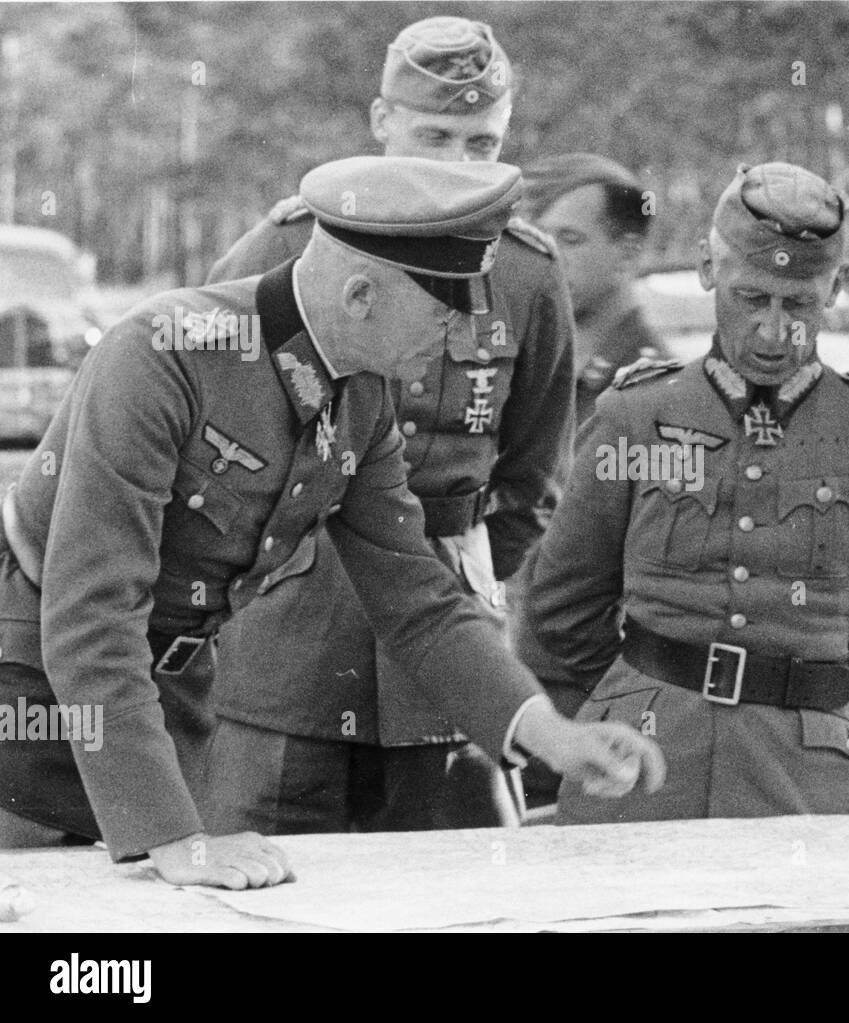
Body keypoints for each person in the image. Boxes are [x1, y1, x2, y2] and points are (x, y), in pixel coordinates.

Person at [0, 156, 664, 887]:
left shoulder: (362, 398)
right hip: (29, 694)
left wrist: (552, 735)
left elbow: (419, 599)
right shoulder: (164, 355)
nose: (460, 333)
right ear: (358, 294)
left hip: (162, 699)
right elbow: (92, 612)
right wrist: (171, 833)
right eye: (445, 311)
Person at [203, 16, 576, 833]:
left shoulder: (524, 271)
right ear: (381, 125)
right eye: (433, 136)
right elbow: (212, 437)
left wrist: (455, 555)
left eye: (481, 144)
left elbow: (534, 475)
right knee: (259, 870)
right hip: (293, 615)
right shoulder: (287, 243)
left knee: (457, 882)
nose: (456, 166)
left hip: (445, 614)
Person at [519, 162, 849, 823]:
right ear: (709, 268)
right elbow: (560, 605)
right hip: (645, 761)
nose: (772, 331)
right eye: (749, 297)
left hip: (808, 775)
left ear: (834, 290)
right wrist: (643, 686)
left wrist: (843, 697)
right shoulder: (639, 415)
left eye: (798, 304)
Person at [520, 153, 667, 424]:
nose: (547, 257)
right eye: (537, 237)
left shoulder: (652, 392)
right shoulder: (537, 370)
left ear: (627, 254)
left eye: (570, 239)